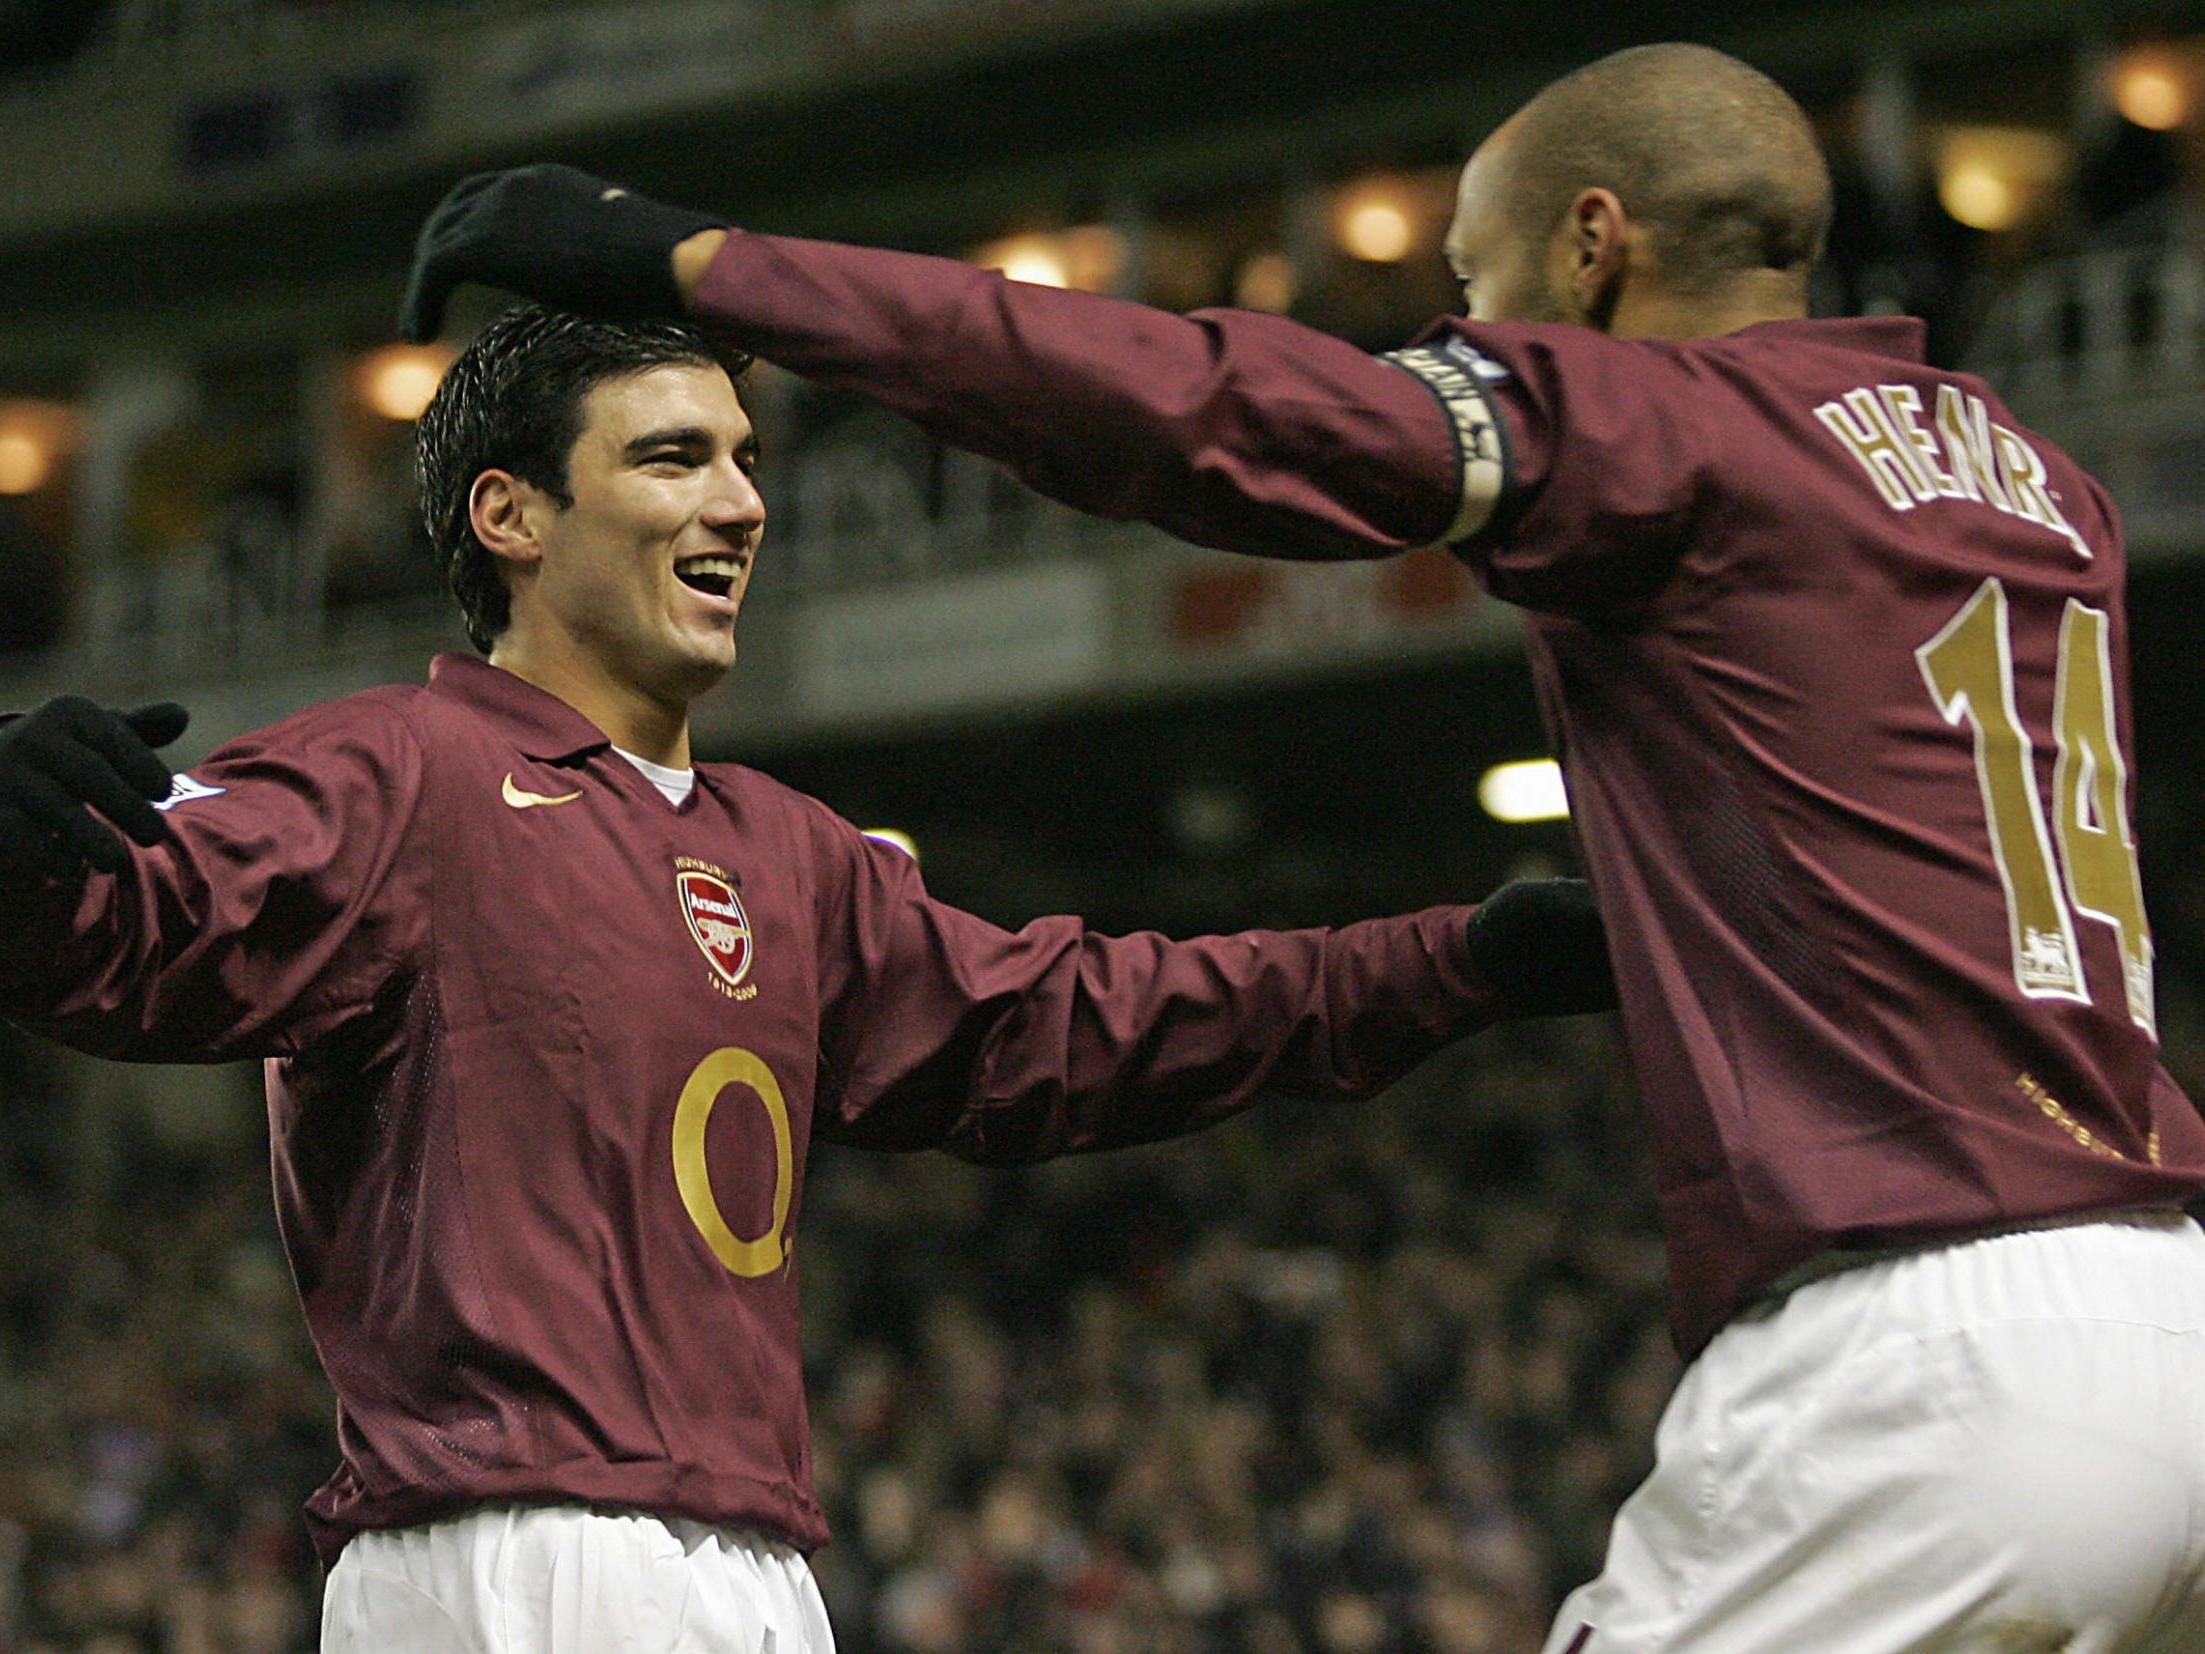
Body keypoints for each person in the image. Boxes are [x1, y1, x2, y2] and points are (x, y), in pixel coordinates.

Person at [399, 39, 2205, 1651]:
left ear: (1593, 249)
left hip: (1926, 1345)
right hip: (2162, 1301)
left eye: (1474, 292)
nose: (1462, 333)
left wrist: (705, 265)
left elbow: (1216, 413)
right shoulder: (2036, 479)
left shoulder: (1675, 420)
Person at [0, 305, 1614, 1650]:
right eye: (670, 457)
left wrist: (1451, 959)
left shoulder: (790, 854)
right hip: (524, 1558)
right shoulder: (403, 770)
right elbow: (143, 923)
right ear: (511, 517)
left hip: (751, 1564)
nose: (741, 501)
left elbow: (1072, 1023)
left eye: (745, 460)